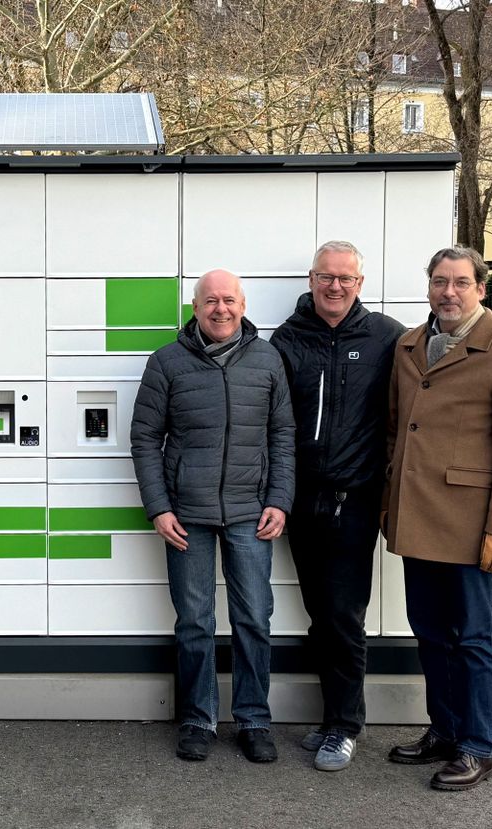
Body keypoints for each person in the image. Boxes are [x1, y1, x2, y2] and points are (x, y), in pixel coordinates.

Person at [382, 246, 492, 791]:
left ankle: (477, 746)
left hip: (474, 525)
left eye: (459, 283)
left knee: (474, 638)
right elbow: (396, 431)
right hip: (416, 517)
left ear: (481, 289)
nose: (448, 292)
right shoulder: (409, 344)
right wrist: (389, 502)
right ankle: (445, 731)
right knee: (430, 632)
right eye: (438, 282)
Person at [131, 268, 296, 763]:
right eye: (210, 301)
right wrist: (159, 507)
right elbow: (144, 439)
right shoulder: (166, 363)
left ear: (243, 305)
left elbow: (282, 435)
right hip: (188, 516)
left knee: (253, 619)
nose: (220, 309)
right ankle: (198, 718)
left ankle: (253, 720)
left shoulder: (268, 359)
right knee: (196, 622)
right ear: (196, 307)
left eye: (228, 300)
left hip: (251, 512)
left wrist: (279, 499)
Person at [269, 241, 406, 772]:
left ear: (360, 284)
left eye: (345, 278)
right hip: (302, 501)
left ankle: (344, 727)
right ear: (311, 279)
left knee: (344, 616)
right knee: (319, 616)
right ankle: (333, 717)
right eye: (326, 276)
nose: (335, 286)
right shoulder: (287, 339)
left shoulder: (387, 338)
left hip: (355, 500)